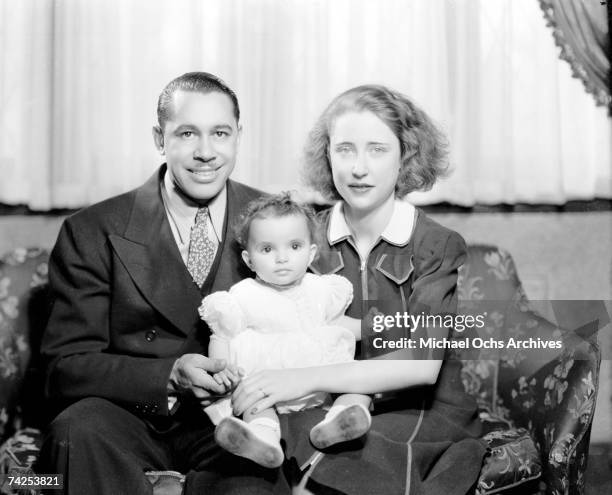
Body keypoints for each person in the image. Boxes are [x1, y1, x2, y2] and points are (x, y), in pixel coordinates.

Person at [37, 72, 291, 495]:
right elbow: (65, 368)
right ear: (160, 138)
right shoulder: (92, 230)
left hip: (236, 420)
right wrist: (169, 375)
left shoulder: (282, 222)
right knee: (75, 432)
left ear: (239, 137)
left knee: (257, 464)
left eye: (221, 134)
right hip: (129, 416)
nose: (206, 152)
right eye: (187, 133)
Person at [230, 85, 487, 495]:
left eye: (377, 150)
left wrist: (302, 376)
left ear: (406, 156)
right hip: (322, 404)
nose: (358, 168)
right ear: (327, 155)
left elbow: (421, 366)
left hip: (420, 411)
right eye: (345, 149)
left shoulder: (436, 244)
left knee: (331, 477)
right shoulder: (300, 239)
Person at [198, 194, 372, 469]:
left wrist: (375, 327)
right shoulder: (243, 295)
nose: (282, 258)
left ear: (311, 253)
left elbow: (339, 325)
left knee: (359, 385)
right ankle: (262, 439)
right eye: (267, 249)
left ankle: (339, 421)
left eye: (294, 246)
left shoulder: (320, 288)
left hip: (321, 378)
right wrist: (221, 368)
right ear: (249, 259)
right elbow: (222, 335)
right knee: (254, 404)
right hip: (266, 382)